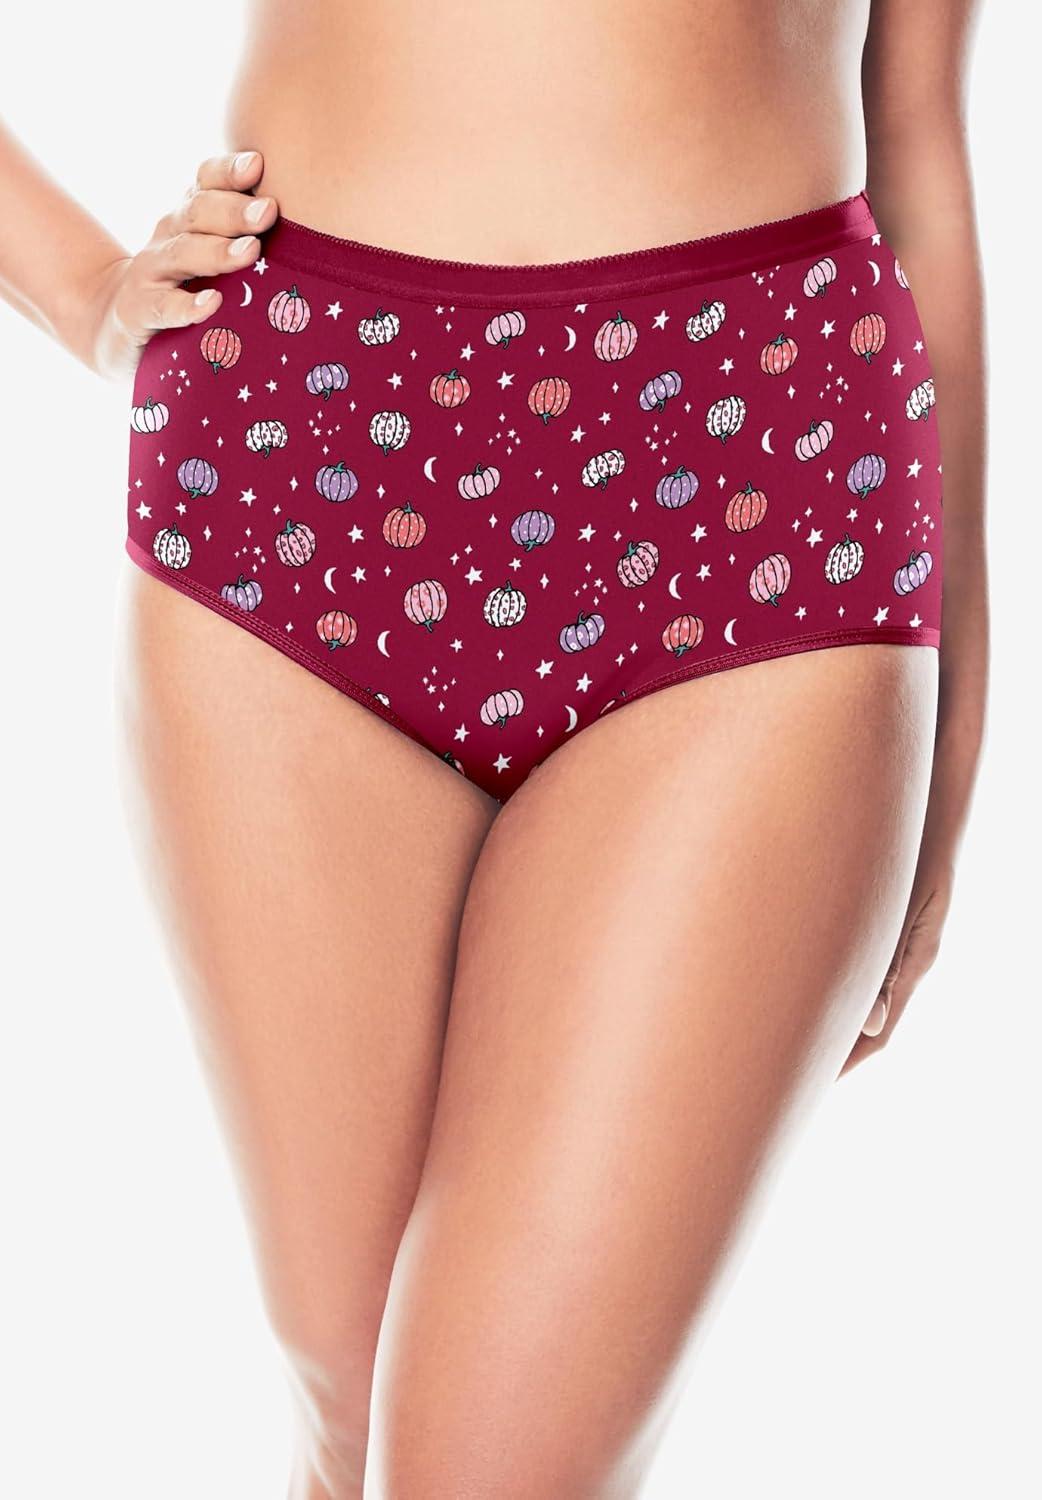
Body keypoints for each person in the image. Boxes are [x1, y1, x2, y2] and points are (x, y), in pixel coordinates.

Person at [0, 2, 987, 1495]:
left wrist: (956, 746)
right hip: (296, 456)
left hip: (759, 473)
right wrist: (85, 297)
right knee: (354, 1413)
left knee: (487, 1461)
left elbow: (917, 136)